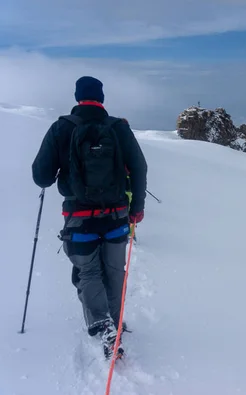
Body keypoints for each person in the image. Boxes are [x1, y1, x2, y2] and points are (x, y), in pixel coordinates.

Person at [31, 76, 147, 358]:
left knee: (89, 270)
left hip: (79, 217)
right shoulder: (118, 128)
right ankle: (116, 322)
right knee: (114, 269)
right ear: (101, 99)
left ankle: (103, 324)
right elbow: (140, 167)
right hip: (117, 215)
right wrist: (137, 208)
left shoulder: (61, 128)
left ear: (77, 97)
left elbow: (40, 176)